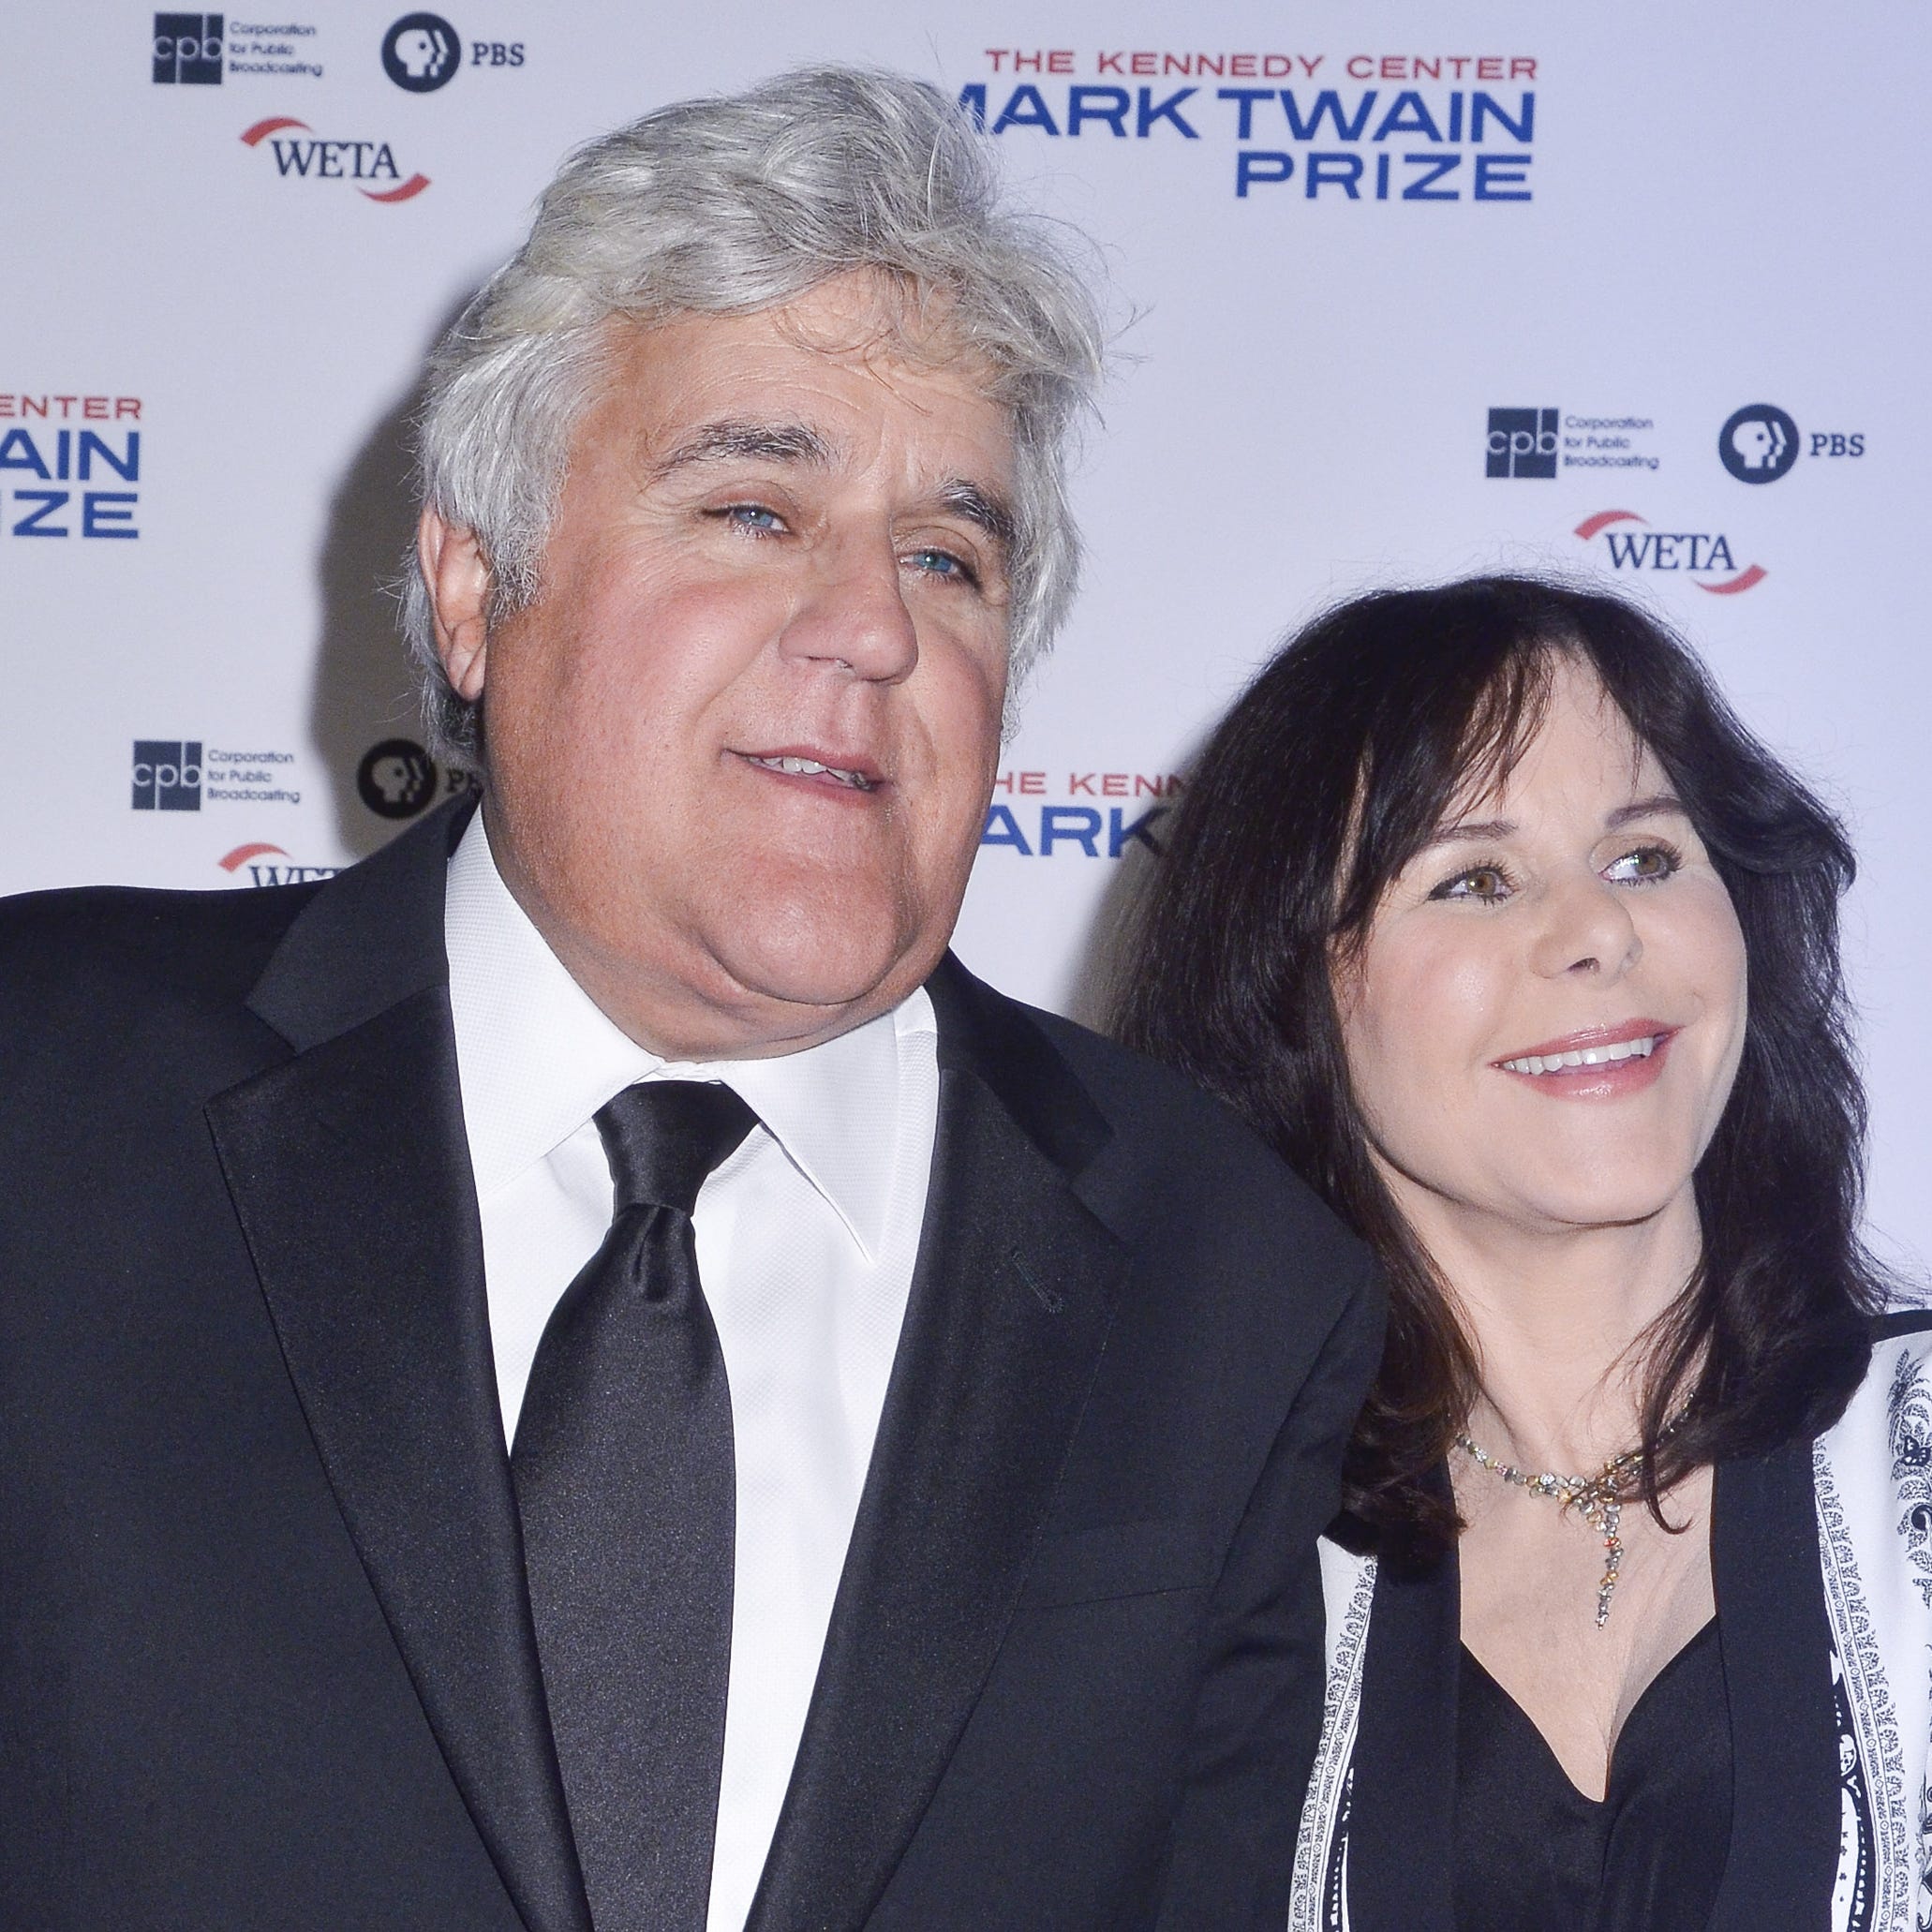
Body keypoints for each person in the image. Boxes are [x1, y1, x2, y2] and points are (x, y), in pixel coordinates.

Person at [0, 67, 1380, 1932]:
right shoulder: (45, 1089)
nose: (873, 623)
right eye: (750, 505)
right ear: (479, 590)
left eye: (945, 555)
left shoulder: (1223, 1268)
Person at [1117, 575, 1932, 1930]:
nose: (1598, 930)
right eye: (1476, 878)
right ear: (1291, 986)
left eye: (1645, 858)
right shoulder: (1218, 1574)